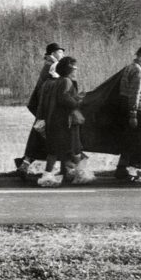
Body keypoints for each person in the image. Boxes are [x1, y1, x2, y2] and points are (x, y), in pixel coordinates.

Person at [15, 42, 64, 180]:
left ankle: (24, 165)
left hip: (43, 108)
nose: (63, 54)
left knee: (39, 138)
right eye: (60, 52)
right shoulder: (52, 66)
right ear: (53, 53)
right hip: (47, 109)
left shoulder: (49, 65)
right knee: (44, 138)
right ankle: (64, 170)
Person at [34, 56, 84, 184]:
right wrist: (78, 101)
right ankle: (80, 173)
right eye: (74, 68)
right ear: (69, 70)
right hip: (66, 122)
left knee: (53, 151)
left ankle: (48, 174)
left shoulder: (54, 82)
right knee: (75, 148)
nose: (76, 70)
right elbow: (64, 99)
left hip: (54, 121)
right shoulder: (67, 81)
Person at [114, 45, 141, 182]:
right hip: (137, 108)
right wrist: (133, 114)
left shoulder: (129, 67)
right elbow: (135, 93)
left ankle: (121, 168)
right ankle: (131, 172)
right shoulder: (139, 71)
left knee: (128, 140)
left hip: (124, 106)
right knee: (137, 141)